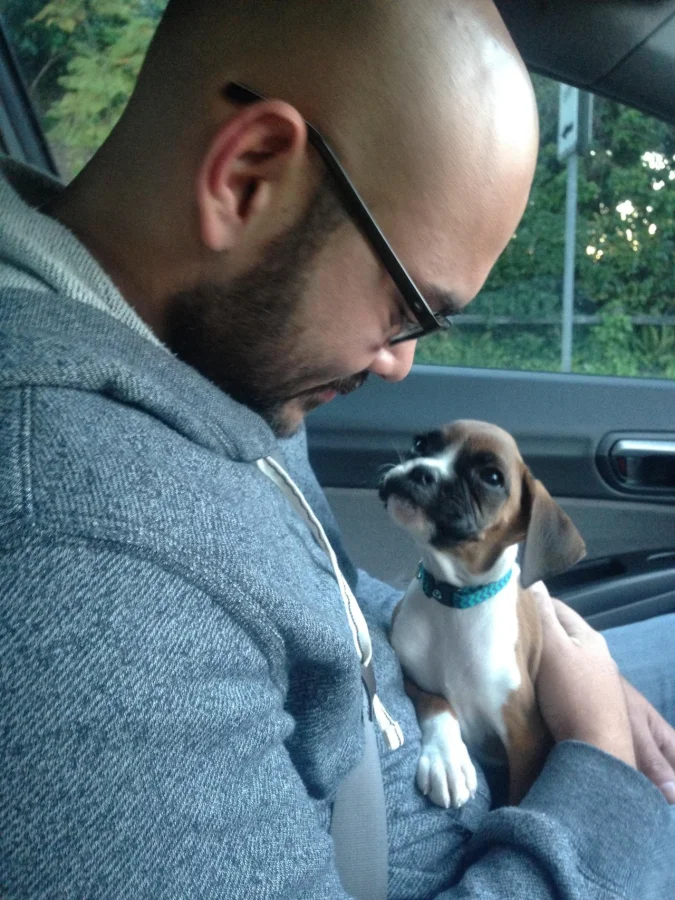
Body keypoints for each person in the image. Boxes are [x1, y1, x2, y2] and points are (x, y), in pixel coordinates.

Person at [0, 0, 673, 896]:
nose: (398, 364)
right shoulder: (80, 569)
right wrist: (599, 763)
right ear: (247, 177)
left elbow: (318, 593)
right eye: (406, 308)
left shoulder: (205, 362)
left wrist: (545, 668)